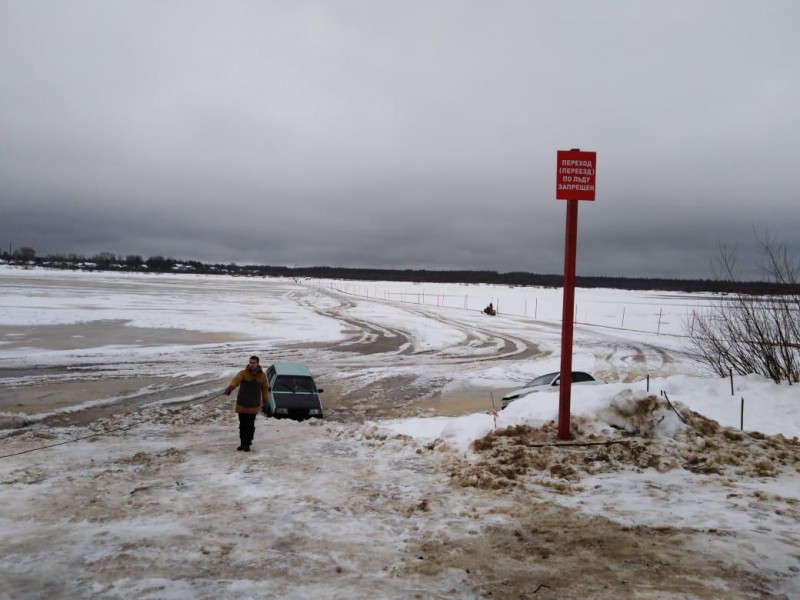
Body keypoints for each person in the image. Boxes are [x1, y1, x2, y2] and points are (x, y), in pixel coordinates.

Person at [224, 355, 269, 452]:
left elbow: (265, 390)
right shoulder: (243, 373)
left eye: (253, 363)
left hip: (253, 405)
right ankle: (242, 443)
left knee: (250, 425)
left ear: (257, 364)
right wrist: (230, 388)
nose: (251, 364)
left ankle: (247, 444)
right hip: (242, 404)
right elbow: (236, 380)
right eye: (250, 362)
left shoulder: (262, 376)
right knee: (242, 425)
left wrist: (266, 402)